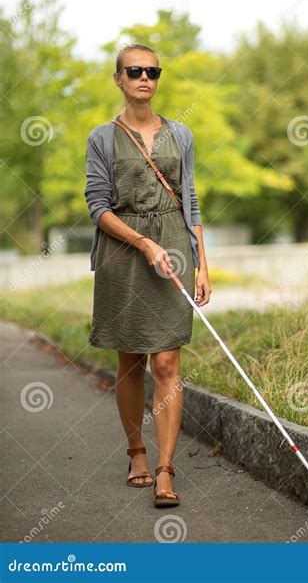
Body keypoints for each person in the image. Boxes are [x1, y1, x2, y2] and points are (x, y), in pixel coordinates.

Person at [84, 43, 211, 507]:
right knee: (132, 360)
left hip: (175, 246)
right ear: (118, 78)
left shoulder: (181, 134)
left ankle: (164, 468)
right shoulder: (101, 138)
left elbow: (190, 201)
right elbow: (97, 207)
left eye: (152, 71)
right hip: (123, 253)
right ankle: (136, 450)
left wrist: (201, 265)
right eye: (134, 70)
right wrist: (143, 243)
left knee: (166, 362)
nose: (144, 78)